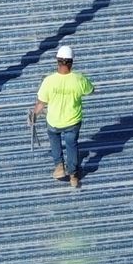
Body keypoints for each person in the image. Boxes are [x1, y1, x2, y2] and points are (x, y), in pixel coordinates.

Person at [33, 43, 95, 187]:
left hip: (54, 121)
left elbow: (41, 103)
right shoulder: (79, 79)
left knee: (55, 142)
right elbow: (91, 90)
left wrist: (34, 114)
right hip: (72, 121)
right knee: (72, 146)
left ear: (57, 61)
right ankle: (73, 176)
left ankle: (59, 167)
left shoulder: (49, 81)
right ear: (71, 62)